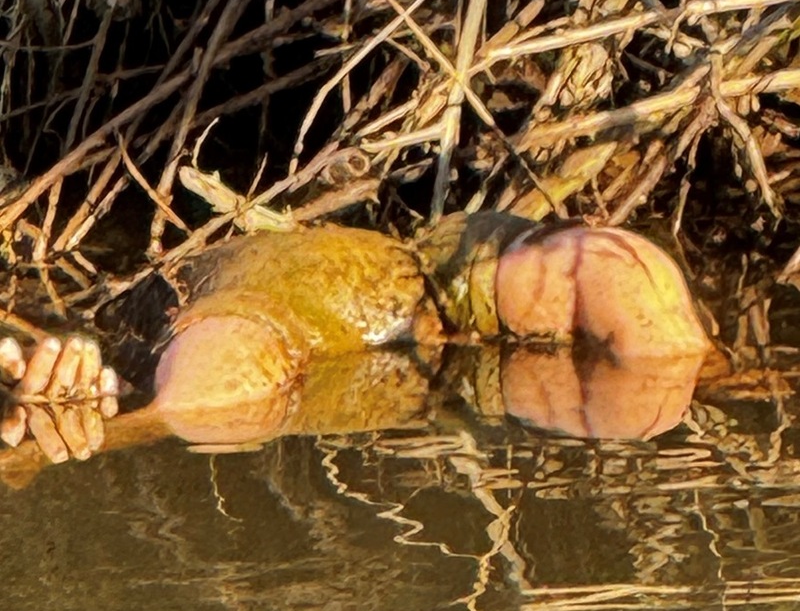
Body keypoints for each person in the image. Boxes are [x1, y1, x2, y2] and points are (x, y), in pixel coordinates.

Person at [0, 213, 712, 465]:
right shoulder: (361, 281)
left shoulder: (412, 281)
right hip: (238, 325)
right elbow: (241, 344)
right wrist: (136, 425)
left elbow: (630, 300)